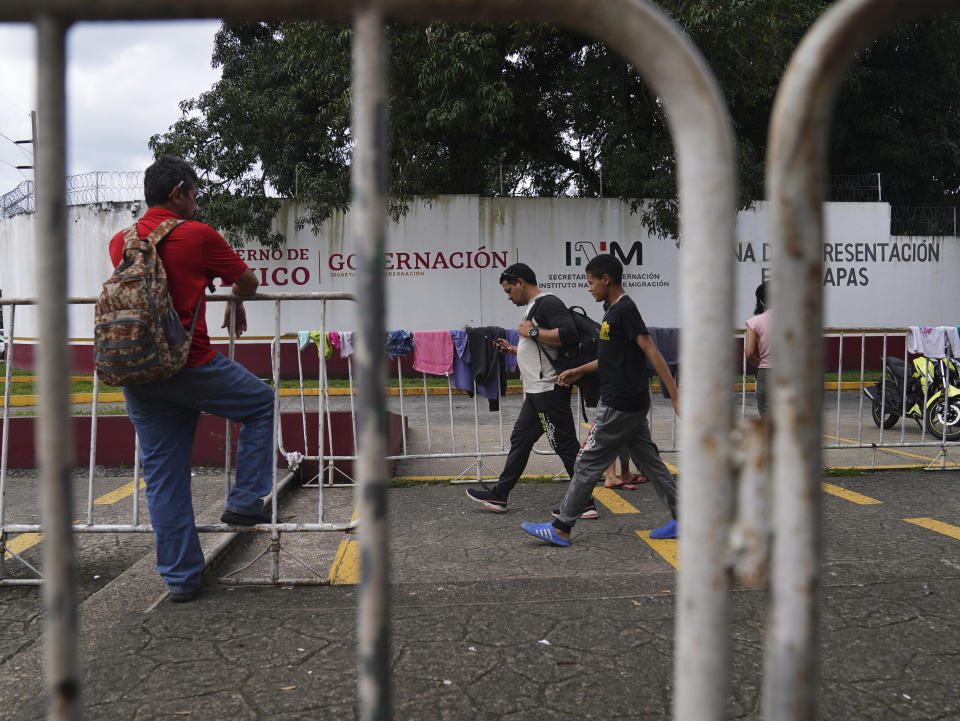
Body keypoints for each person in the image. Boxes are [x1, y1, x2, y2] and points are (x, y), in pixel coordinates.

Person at [109, 155, 275, 602]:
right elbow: (248, 280)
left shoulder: (120, 241)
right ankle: (244, 502)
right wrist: (235, 299)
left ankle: (181, 580)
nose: (197, 199)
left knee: (165, 479)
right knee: (261, 403)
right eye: (195, 191)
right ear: (177, 192)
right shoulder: (197, 235)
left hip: (139, 371)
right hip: (190, 364)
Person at [520, 254, 679, 546]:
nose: (589, 288)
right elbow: (609, 359)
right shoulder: (612, 311)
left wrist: (675, 396)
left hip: (619, 403)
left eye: (591, 282)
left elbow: (652, 351)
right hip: (629, 402)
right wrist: (578, 370)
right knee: (651, 463)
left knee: (586, 461)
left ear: (606, 279)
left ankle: (561, 527)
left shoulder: (625, 310)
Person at [465, 263, 598, 518]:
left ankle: (585, 502)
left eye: (508, 290)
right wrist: (514, 349)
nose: (508, 296)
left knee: (564, 445)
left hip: (549, 390)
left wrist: (532, 331)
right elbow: (542, 347)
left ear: (520, 282)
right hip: (537, 392)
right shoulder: (535, 307)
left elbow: (568, 334)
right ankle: (500, 495)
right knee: (521, 439)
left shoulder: (547, 303)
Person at [744, 281, 771, 421]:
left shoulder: (754, 322)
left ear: (761, 300)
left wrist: (760, 364)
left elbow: (749, 353)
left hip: (766, 373)